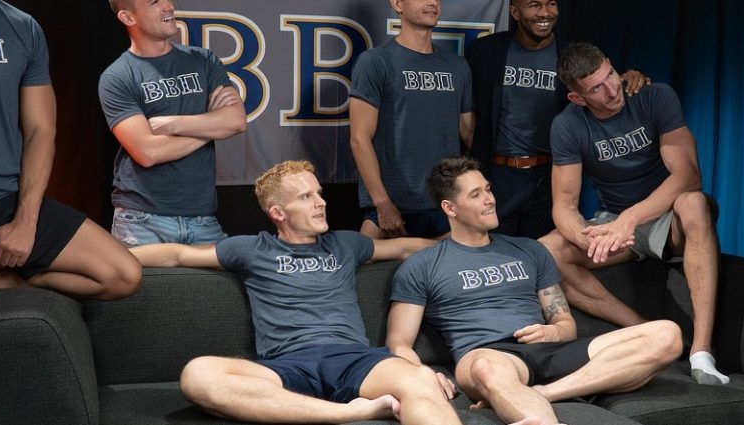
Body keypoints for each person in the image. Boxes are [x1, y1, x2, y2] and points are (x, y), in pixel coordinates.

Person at [129, 160, 461, 425]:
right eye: (306, 197)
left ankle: (344, 408)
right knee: (198, 375)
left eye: (319, 193)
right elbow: (177, 254)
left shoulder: (345, 244)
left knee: (420, 379)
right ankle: (349, 413)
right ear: (278, 212)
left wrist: (469, 236)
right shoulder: (252, 249)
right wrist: (114, 258)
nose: (321, 203)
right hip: (287, 365)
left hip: (353, 359)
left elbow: (407, 248)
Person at [0, 0, 142, 423]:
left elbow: (40, 129)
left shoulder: (21, 26)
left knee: (121, 274)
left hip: (5, 198)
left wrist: (25, 220)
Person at [386, 157, 681, 425]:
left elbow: (564, 323)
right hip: (489, 355)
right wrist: (424, 377)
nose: (490, 199)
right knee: (487, 368)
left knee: (666, 334)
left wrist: (554, 332)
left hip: (550, 351)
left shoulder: (530, 250)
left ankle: (546, 392)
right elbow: (399, 342)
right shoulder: (423, 265)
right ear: (449, 208)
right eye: (476, 195)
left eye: (488, 189)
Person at [538, 42, 727, 385]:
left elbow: (688, 176)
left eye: (610, 75)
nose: (613, 90)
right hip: (617, 224)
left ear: (612, 64)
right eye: (596, 89)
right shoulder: (567, 126)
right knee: (547, 251)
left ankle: (702, 352)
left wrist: (630, 219)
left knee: (694, 203)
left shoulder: (654, 97)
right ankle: (644, 329)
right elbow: (564, 205)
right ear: (577, 98)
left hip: (668, 218)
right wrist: (587, 237)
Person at [466, 0, 650, 238]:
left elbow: (601, 89)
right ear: (515, 12)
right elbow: (466, 110)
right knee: (493, 252)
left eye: (551, 4)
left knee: (543, 253)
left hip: (550, 178)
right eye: (534, 5)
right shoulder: (485, 51)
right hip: (498, 177)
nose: (545, 13)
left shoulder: (571, 53)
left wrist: (629, 79)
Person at [100, 0, 247, 247]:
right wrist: (211, 126)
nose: (168, 6)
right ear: (128, 18)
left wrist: (173, 123)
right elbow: (148, 153)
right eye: (154, 2)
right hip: (142, 220)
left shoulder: (203, 60)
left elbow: (236, 121)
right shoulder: (117, 77)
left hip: (203, 218)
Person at [350, 0, 474, 240]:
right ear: (398, 4)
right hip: (392, 204)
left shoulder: (458, 67)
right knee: (364, 263)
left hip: (445, 203)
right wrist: (382, 202)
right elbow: (359, 138)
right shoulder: (375, 61)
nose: (432, 2)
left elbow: (470, 134)